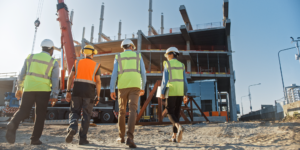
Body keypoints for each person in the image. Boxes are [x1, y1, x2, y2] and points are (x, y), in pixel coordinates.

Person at [6, 39, 59, 145]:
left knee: (23, 111)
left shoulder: (30, 57)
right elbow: (55, 80)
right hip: (43, 90)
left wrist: (19, 88)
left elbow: (21, 74)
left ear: (42, 47)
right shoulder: (53, 62)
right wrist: (54, 95)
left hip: (29, 88)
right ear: (52, 49)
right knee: (40, 115)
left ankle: (12, 124)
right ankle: (34, 139)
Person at [110, 39, 146, 148]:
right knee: (132, 110)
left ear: (123, 47)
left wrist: (112, 89)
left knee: (121, 111)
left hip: (122, 86)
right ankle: (130, 138)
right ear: (131, 46)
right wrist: (142, 87)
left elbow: (114, 74)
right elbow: (143, 73)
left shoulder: (118, 57)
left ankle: (121, 137)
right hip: (135, 86)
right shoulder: (138, 56)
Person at [65, 45, 101, 145]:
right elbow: (98, 82)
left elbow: (70, 77)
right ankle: (82, 139)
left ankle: (72, 128)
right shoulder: (96, 65)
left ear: (83, 53)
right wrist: (98, 95)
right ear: (93, 54)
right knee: (86, 116)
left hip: (76, 91)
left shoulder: (77, 63)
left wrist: (68, 91)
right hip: (89, 93)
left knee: (74, 111)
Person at [160, 47, 188, 143]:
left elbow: (164, 80)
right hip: (180, 91)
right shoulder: (182, 65)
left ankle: (179, 126)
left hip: (171, 90)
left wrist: (162, 92)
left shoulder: (167, 64)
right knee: (176, 113)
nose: (167, 57)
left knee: (169, 112)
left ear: (172, 54)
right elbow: (185, 80)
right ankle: (174, 136)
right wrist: (185, 94)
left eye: (167, 54)